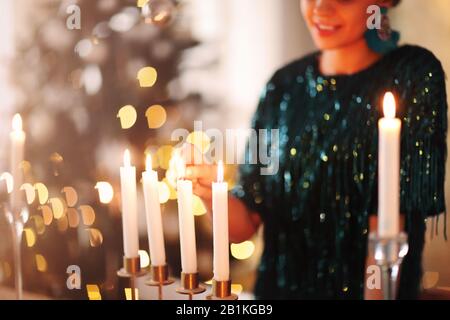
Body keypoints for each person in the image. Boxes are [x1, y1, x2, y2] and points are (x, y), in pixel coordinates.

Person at [184, 0, 447, 299]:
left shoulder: (412, 74)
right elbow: (244, 225)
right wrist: (210, 192)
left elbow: (388, 226)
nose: (321, 8)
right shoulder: (281, 86)